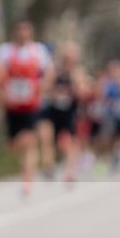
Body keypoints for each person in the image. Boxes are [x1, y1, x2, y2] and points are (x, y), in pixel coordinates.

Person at [0, 20, 53, 197]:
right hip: (12, 104)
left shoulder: (39, 50)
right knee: (15, 143)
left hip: (32, 103)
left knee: (30, 140)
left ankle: (27, 180)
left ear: (31, 32)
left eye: (26, 30)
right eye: (19, 30)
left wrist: (43, 85)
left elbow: (50, 71)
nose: (22, 33)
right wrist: (1, 92)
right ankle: (22, 168)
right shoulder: (4, 51)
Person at [38, 40, 90, 187]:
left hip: (68, 112)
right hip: (51, 110)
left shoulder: (78, 71)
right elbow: (44, 87)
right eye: (67, 55)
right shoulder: (54, 69)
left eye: (72, 55)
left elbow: (83, 92)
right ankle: (48, 165)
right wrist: (53, 90)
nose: (69, 58)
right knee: (46, 138)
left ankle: (69, 172)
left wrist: (75, 84)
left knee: (68, 143)